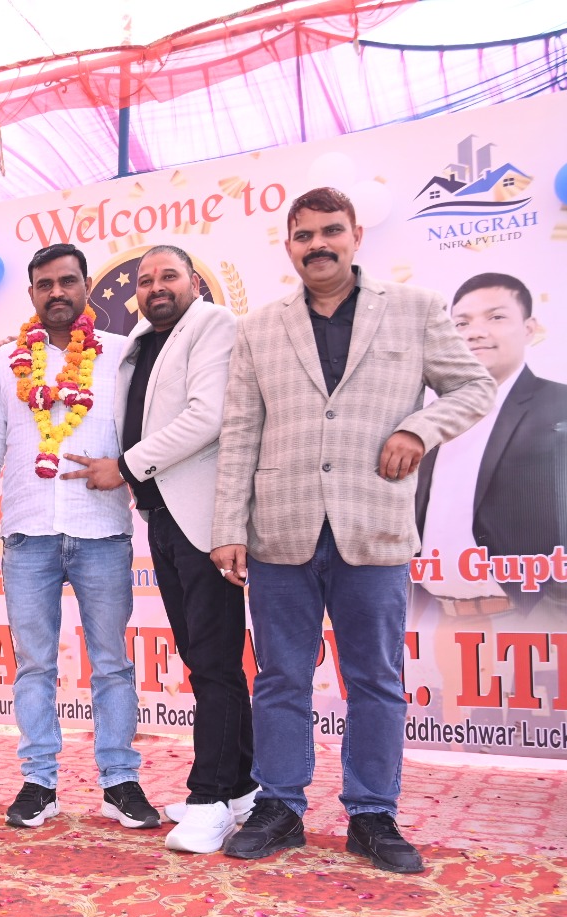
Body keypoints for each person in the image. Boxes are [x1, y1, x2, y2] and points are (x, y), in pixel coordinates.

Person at [211, 186, 495, 874]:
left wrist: (417, 430)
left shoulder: (416, 309)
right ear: (289, 248)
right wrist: (228, 526)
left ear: (356, 236)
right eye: (304, 236)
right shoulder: (258, 328)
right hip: (281, 529)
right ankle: (280, 807)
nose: (319, 245)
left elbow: (473, 387)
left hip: (373, 525)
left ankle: (372, 813)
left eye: (331, 231)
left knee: (375, 678)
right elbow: (240, 431)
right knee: (280, 678)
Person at [61, 245, 254, 854]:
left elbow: (207, 416)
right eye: (145, 281)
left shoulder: (212, 324)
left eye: (168, 276)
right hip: (163, 519)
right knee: (204, 658)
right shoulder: (140, 342)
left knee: (215, 662)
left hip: (205, 520)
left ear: (194, 281)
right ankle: (242, 788)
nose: (156, 287)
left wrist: (124, 467)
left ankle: (210, 798)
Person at [0, 243, 157, 831]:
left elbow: (152, 430)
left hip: (103, 531)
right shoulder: (6, 364)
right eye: (45, 284)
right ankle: (39, 782)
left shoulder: (121, 355)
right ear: (31, 293)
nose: (57, 292)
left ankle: (120, 781)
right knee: (33, 666)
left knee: (112, 664)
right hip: (28, 535)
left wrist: (126, 471)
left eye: (67, 281)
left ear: (85, 288)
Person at [415, 271, 567, 611]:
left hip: (531, 618)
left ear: (528, 328)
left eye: (495, 317)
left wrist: (559, 611)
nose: (475, 332)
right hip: (428, 617)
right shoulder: (427, 419)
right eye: (461, 323)